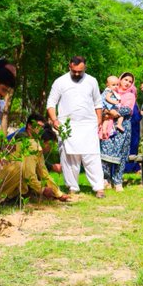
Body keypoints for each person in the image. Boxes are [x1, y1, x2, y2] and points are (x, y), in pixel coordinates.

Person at [46, 56, 106, 199]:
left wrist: (99, 120)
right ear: (69, 66)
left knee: (92, 156)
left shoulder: (92, 81)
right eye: (74, 71)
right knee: (69, 157)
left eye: (80, 71)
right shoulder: (60, 82)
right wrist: (54, 120)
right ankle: (72, 187)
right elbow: (51, 103)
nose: (77, 74)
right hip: (66, 125)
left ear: (85, 67)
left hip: (88, 124)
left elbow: (98, 102)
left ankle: (99, 188)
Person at [0, 115, 71, 205]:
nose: (40, 130)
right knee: (22, 170)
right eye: (50, 145)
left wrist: (58, 193)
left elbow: (44, 173)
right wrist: (42, 190)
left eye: (42, 127)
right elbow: (29, 176)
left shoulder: (36, 145)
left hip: (5, 177)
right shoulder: (29, 142)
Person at [100, 73, 136, 191]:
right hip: (108, 126)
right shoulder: (110, 92)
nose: (127, 83)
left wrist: (112, 112)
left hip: (122, 128)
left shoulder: (130, 95)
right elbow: (100, 106)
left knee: (120, 154)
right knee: (105, 153)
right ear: (120, 80)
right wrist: (108, 112)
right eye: (125, 80)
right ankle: (106, 180)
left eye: (130, 81)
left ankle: (118, 181)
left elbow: (127, 110)